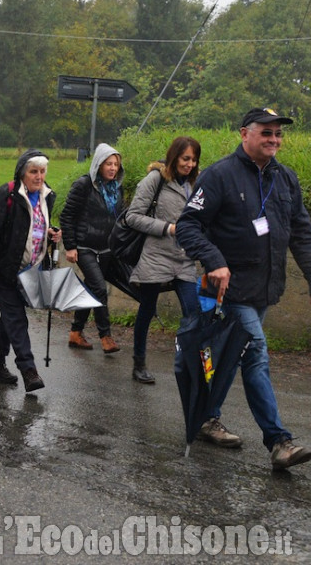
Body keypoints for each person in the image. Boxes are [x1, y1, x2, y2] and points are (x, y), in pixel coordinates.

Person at [177, 107, 311, 470]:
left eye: (278, 134)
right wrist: (215, 260)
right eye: (266, 133)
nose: (273, 140)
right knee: (255, 353)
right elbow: (188, 225)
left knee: (227, 356)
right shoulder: (219, 175)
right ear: (244, 134)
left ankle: (206, 417)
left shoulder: (286, 179)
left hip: (264, 289)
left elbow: (301, 234)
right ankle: (279, 441)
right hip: (226, 290)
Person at [0, 149, 61, 393]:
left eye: (42, 171)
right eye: (33, 171)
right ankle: (29, 370)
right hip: (5, 271)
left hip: (30, 270)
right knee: (17, 319)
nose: (39, 176)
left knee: (9, 319)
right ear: (23, 173)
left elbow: (35, 226)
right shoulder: (5, 195)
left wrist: (51, 233)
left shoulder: (47, 196)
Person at [124, 138, 202, 384]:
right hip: (156, 255)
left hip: (184, 258)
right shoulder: (156, 179)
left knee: (194, 312)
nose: (190, 164)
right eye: (185, 158)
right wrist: (168, 228)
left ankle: (195, 365)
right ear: (174, 157)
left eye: (193, 159)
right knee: (147, 309)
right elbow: (132, 217)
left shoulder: (195, 184)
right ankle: (139, 363)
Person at [59, 143, 124, 354]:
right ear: (99, 164)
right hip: (85, 247)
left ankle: (75, 333)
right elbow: (67, 216)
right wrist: (70, 247)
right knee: (99, 289)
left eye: (116, 164)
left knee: (90, 289)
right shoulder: (84, 185)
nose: (113, 168)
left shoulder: (117, 189)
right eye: (108, 164)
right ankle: (106, 337)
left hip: (106, 248)